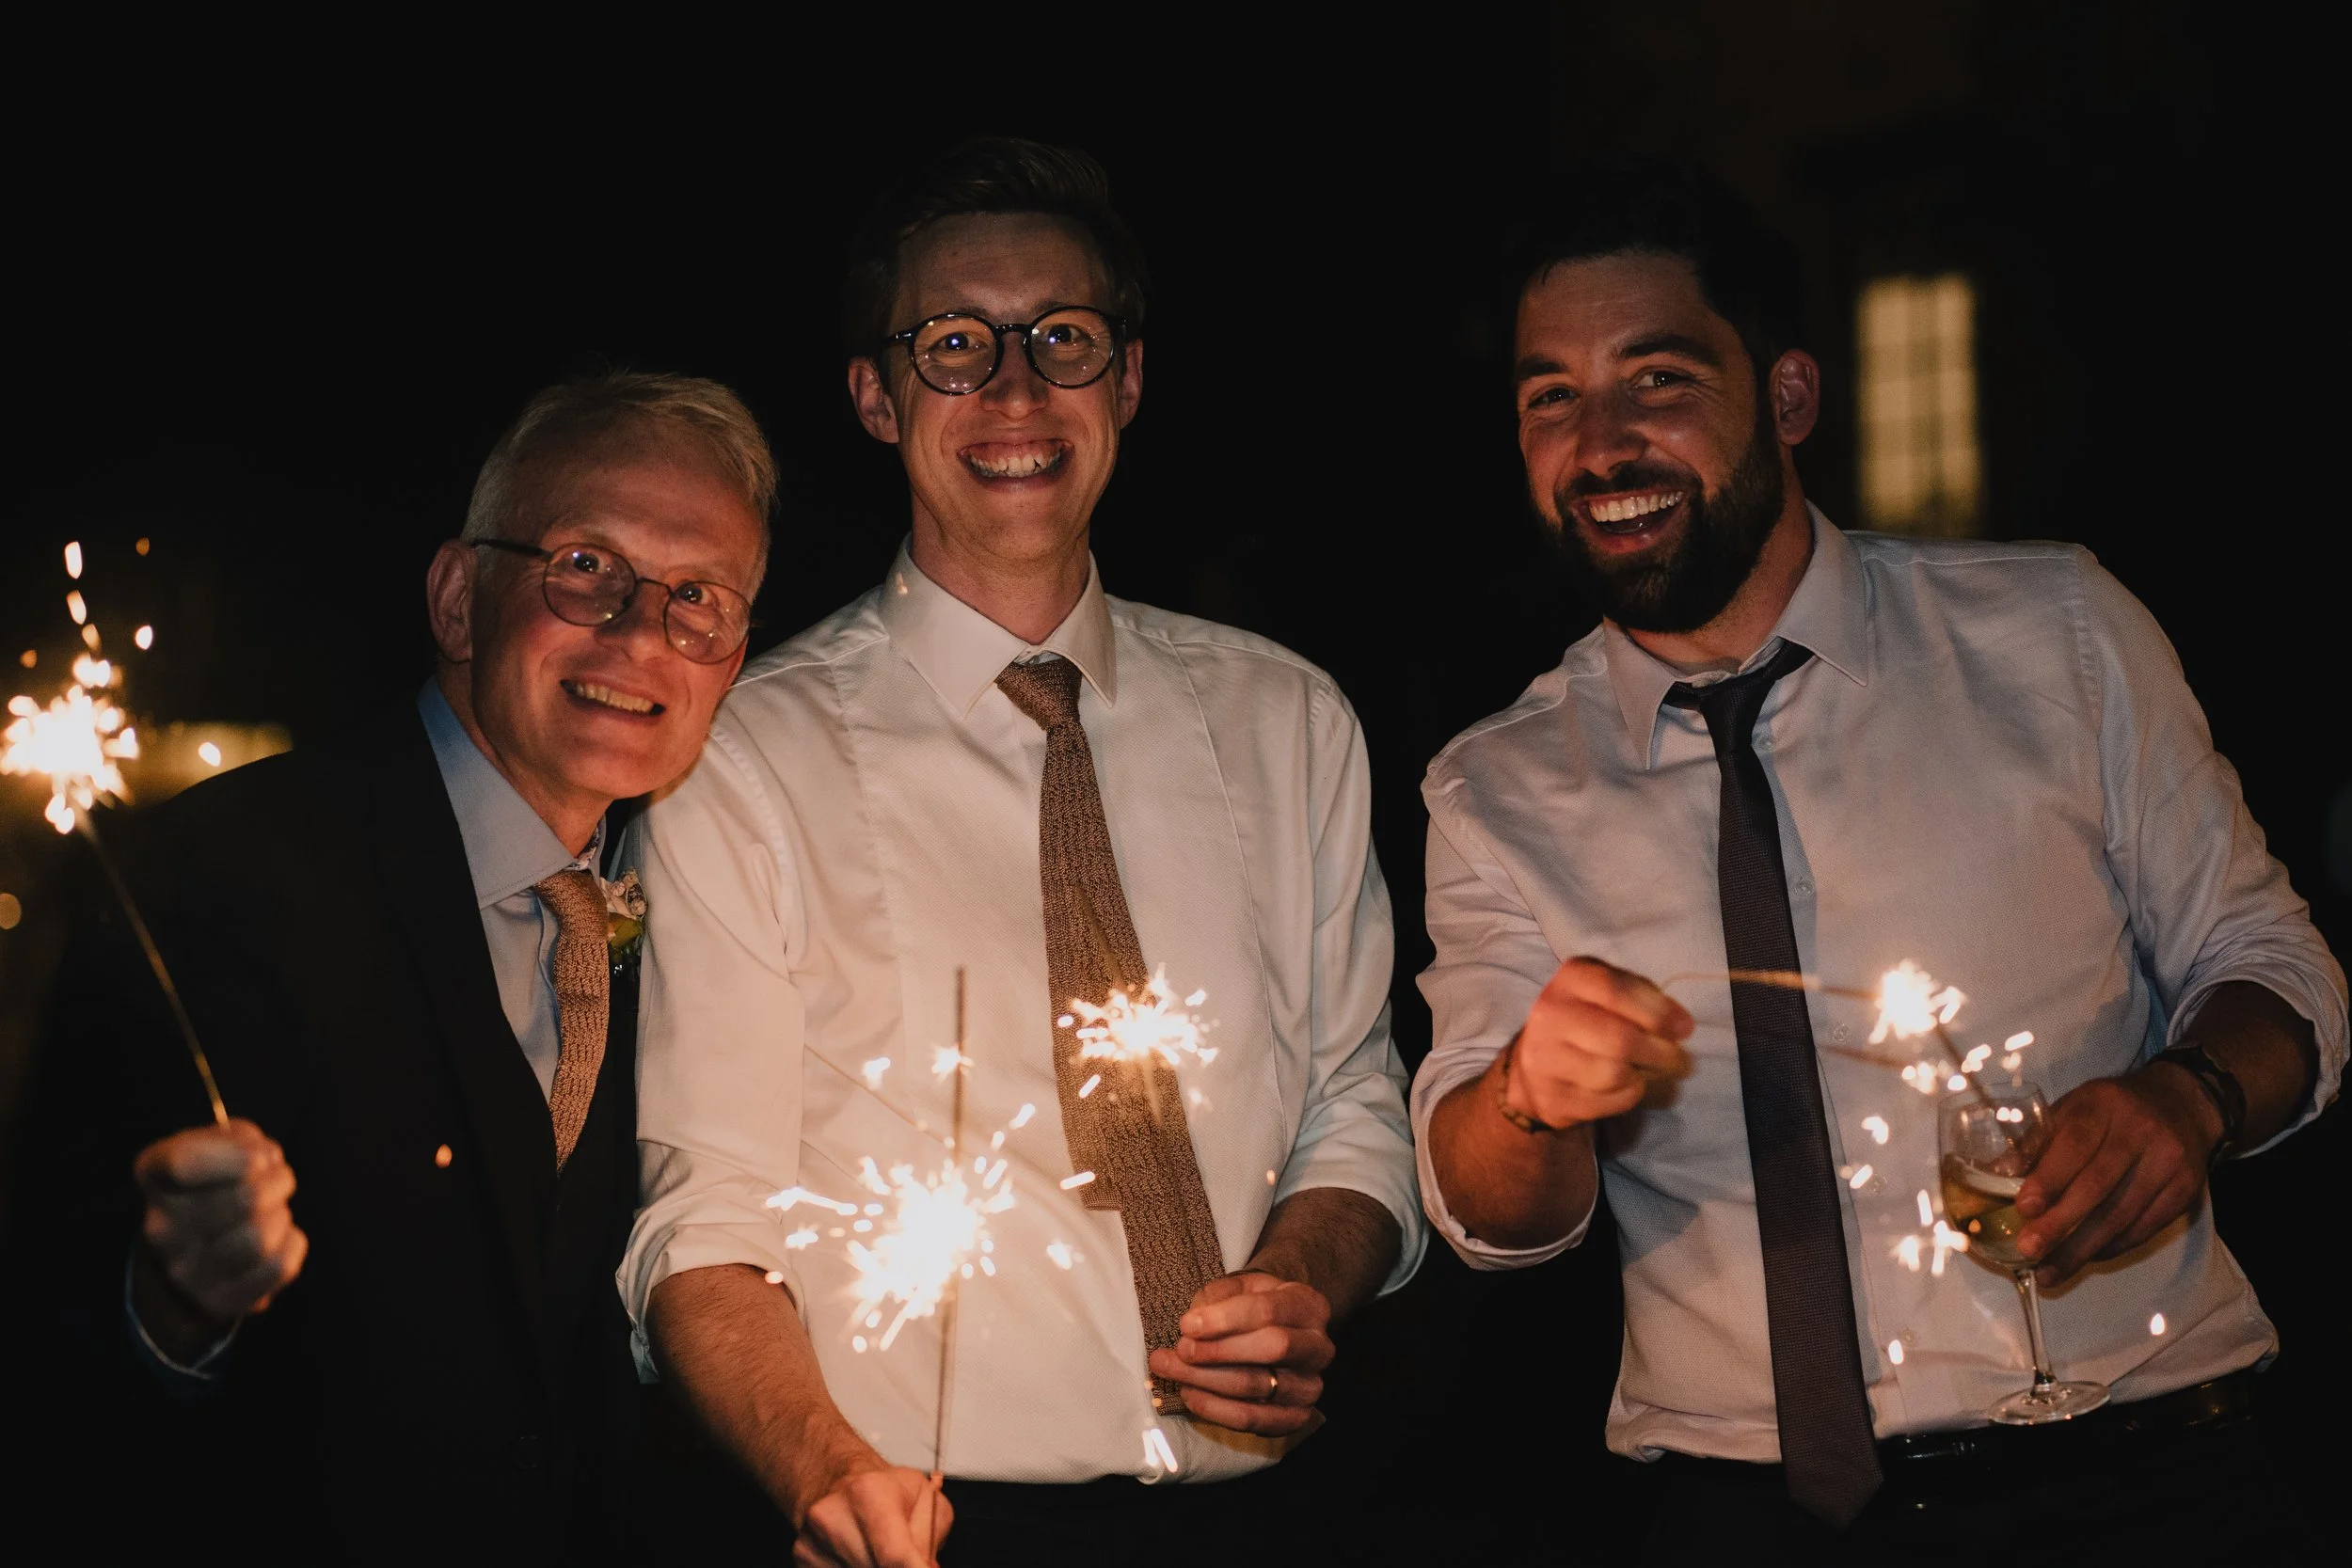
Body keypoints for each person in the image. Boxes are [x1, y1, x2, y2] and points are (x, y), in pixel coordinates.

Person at [1411, 163, 2340, 1564]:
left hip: (2151, 1478)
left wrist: (2188, 1096)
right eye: (1552, 397)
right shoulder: (1495, 784)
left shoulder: (2059, 633)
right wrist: (1531, 1101)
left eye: (1656, 380)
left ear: (1785, 398)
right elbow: (1490, 1213)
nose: (1599, 445)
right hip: (1739, 1516)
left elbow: (2280, 972)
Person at [620, 138, 1423, 1568]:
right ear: (876, 396)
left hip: (1285, 1513)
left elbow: (1356, 1102)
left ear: (1127, 380)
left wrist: (1303, 1279)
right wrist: (825, 1472)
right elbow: (706, 1214)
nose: (1013, 391)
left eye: (1062, 338)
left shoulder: (1291, 717)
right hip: (923, 1522)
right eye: (952, 345)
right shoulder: (745, 759)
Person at [17, 372, 772, 1562]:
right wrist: (173, 1305)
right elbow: (51, 1337)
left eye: (699, 599)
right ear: (460, 596)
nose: (638, 633)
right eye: (584, 566)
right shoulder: (214, 870)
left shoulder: (708, 904)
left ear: (730, 662)